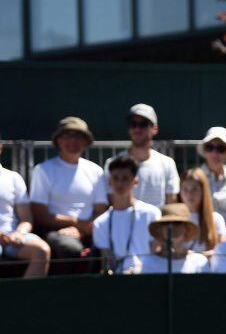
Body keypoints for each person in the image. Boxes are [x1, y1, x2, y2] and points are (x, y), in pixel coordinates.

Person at [30, 117, 108, 269]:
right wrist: (74, 223)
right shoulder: (43, 170)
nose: (73, 141)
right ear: (58, 140)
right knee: (70, 249)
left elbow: (100, 211)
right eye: (67, 136)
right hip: (55, 233)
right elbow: (40, 214)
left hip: (91, 231)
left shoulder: (96, 171)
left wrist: (82, 231)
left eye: (78, 136)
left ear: (85, 142)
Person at [92, 155, 161, 274]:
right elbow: (106, 262)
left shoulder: (151, 213)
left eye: (125, 178)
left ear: (135, 181)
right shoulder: (100, 223)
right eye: (116, 178)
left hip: (148, 276)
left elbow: (157, 251)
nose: (120, 183)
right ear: (109, 181)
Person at [104, 104, 179, 208]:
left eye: (143, 124)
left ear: (155, 129)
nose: (137, 129)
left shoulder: (167, 164)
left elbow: (171, 203)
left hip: (156, 223)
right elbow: (111, 202)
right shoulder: (112, 164)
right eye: (133, 124)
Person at [0, 143, 50, 277]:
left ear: (0, 148)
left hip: (12, 238)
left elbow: (26, 219)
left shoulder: (13, 178)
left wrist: (19, 233)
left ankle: (26, 297)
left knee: (41, 250)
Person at [134, 203, 209, 274]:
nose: (171, 227)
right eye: (166, 223)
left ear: (186, 228)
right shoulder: (149, 262)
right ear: (160, 229)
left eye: (177, 223)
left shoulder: (199, 262)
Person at [197, 126, 226, 233]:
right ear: (205, 151)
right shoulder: (194, 179)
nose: (214, 154)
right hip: (200, 237)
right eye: (210, 148)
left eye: (220, 149)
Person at [179, 168, 226, 256]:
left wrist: (194, 257)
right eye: (185, 189)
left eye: (194, 189)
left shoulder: (216, 219)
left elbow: (223, 251)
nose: (189, 194)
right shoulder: (175, 219)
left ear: (203, 191)